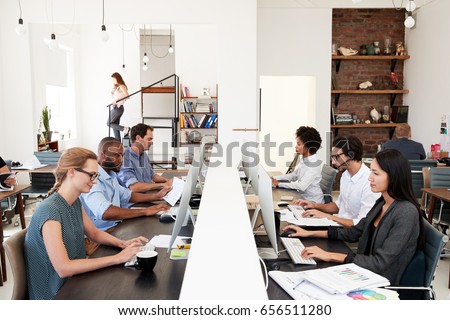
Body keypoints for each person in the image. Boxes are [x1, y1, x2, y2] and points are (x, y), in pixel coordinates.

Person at [282, 149, 424, 286]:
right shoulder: (382, 202)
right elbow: (354, 232)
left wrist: (330, 255)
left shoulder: (406, 212)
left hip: (381, 281)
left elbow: (380, 263)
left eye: (376, 173)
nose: (370, 178)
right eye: (370, 172)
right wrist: (309, 233)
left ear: (394, 176)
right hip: (364, 271)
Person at [24, 147, 147, 300]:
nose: (94, 181)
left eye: (95, 175)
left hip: (75, 283)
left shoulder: (74, 202)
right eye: (91, 175)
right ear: (71, 172)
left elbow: (94, 233)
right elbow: (64, 268)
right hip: (56, 295)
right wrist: (117, 258)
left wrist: (123, 244)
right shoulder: (50, 211)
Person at [80, 137, 171, 255]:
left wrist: (157, 197)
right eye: (117, 155)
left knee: (148, 240)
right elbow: (105, 212)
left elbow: (128, 195)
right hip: (96, 238)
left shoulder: (111, 175)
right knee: (145, 245)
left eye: (122, 155)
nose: (121, 160)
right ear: (103, 154)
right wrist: (145, 211)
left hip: (114, 229)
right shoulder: (93, 179)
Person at [295, 136, 379, 227]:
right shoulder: (345, 175)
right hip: (339, 227)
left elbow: (361, 224)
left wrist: (327, 216)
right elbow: (339, 206)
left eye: (336, 157)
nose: (333, 162)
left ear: (351, 155)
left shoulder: (370, 183)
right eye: (332, 157)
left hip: (353, 235)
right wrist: (314, 205)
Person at [271, 126, 324, 203]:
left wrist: (278, 184)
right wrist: (274, 178)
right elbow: (294, 176)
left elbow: (301, 186)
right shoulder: (305, 159)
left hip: (312, 201)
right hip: (302, 197)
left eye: (299, 144)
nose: (296, 147)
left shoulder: (314, 165)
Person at [117, 123, 172, 192]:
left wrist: (167, 181)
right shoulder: (125, 157)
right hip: (136, 199)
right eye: (149, 139)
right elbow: (134, 187)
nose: (152, 142)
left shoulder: (143, 154)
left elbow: (152, 175)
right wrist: (162, 185)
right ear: (138, 138)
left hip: (147, 193)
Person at [107, 72, 130, 141]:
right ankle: (118, 142)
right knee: (114, 126)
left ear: (117, 78)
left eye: (114, 80)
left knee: (109, 123)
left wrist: (118, 100)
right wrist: (113, 88)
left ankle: (125, 129)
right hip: (116, 107)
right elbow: (112, 93)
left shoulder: (122, 86)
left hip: (118, 107)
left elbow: (127, 96)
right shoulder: (118, 86)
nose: (113, 81)